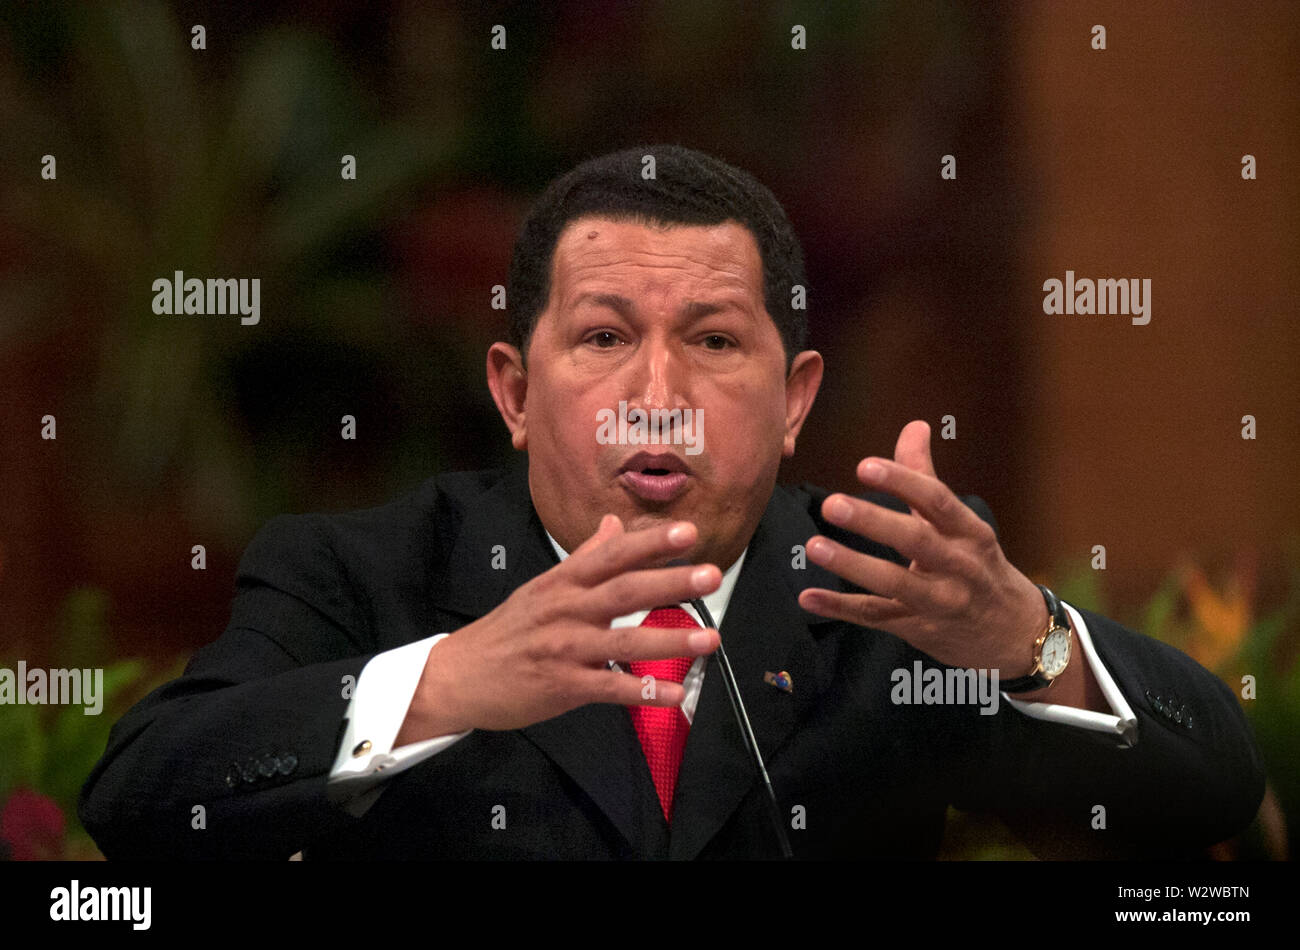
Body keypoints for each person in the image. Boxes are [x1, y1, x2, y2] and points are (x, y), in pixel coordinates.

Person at [80, 145, 1264, 860]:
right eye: (602, 337)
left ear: (796, 398)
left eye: (711, 340)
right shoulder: (363, 574)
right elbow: (141, 802)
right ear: (514, 388)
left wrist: (1026, 641)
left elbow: (1213, 790)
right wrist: (446, 680)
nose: (658, 396)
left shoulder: (888, 592)